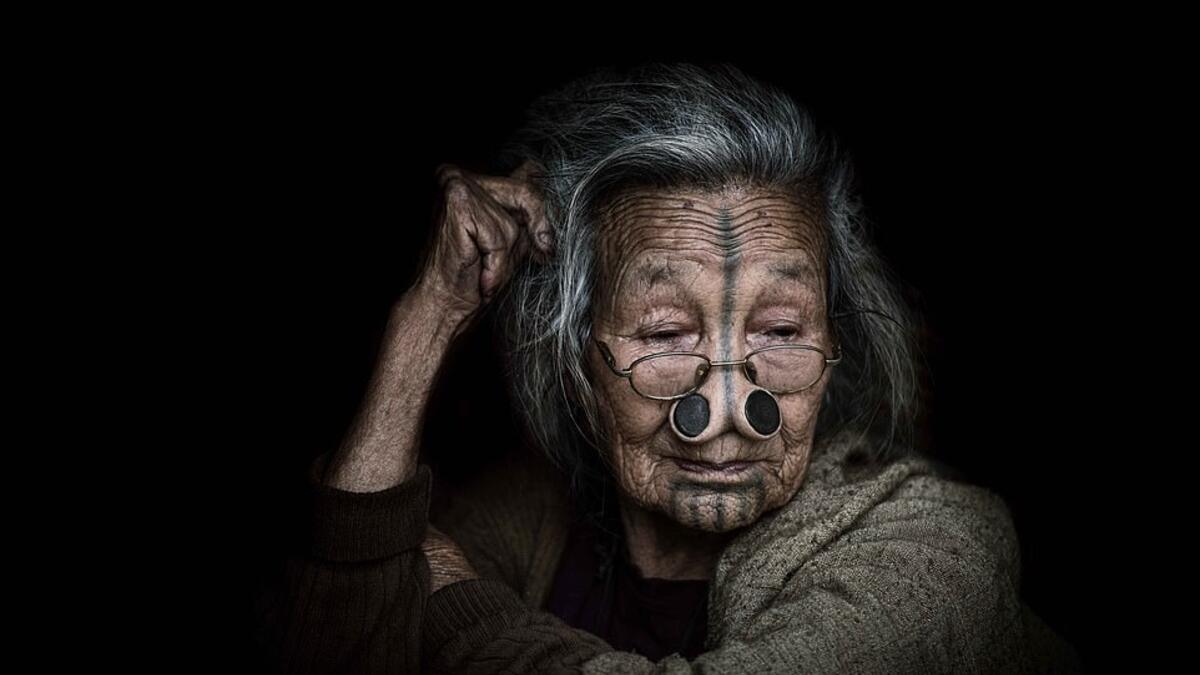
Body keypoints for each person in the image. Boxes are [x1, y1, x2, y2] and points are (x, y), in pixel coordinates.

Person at [252, 62, 1082, 673]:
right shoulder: (531, 515)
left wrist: (442, 598)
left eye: (782, 328)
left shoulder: (935, 549)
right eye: (665, 333)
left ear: (834, 348)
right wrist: (427, 315)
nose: (725, 407)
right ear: (579, 357)